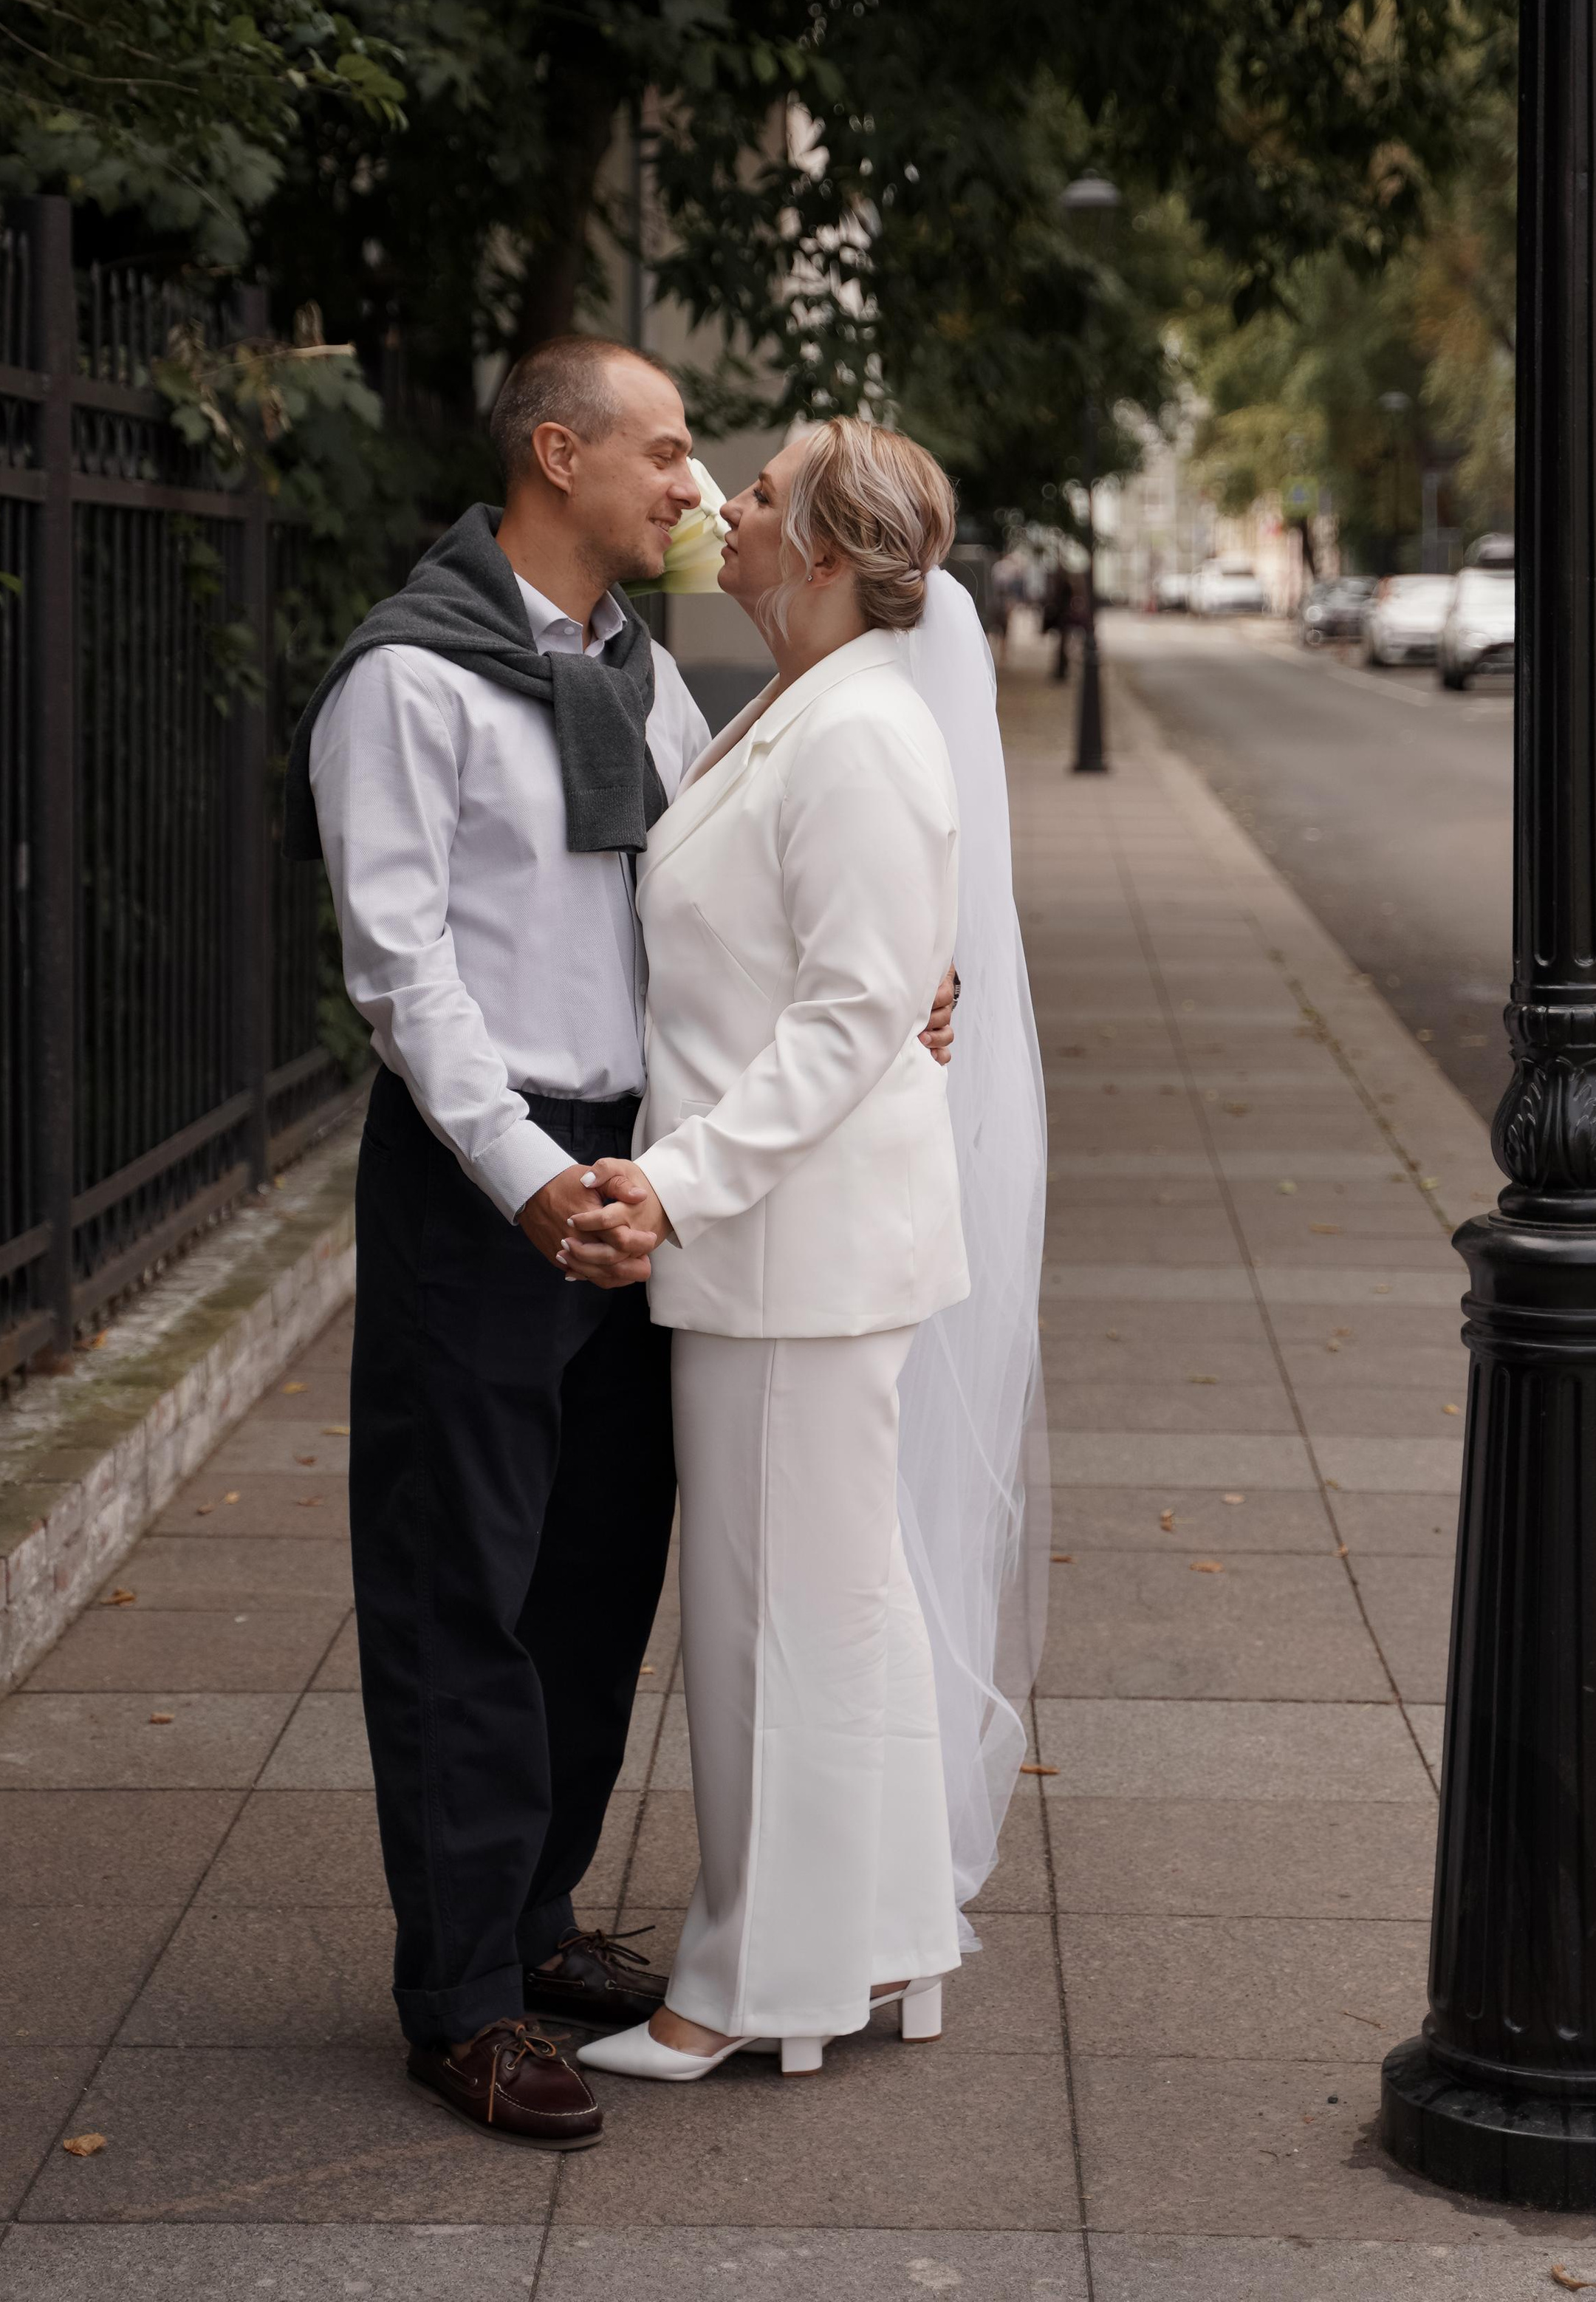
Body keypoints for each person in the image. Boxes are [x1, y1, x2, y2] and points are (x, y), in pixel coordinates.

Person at [286, 341, 954, 2153]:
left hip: (635, 1172)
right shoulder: (407, 684)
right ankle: (464, 2000)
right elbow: (401, 975)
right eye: (664, 453)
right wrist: (526, 1176)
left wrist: (907, 985)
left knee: (591, 1578)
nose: (689, 485)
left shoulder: (637, 678)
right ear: (555, 452)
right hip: (486, 1175)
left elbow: (717, 903)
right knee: (459, 1587)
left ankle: (537, 1915)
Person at [558, 418, 1048, 2083]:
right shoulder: (781, 708)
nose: (722, 505)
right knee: (831, 1613)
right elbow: (821, 977)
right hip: (788, 1248)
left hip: (793, 1251)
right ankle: (883, 1943)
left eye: (759, 495)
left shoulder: (857, 735)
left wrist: (677, 1182)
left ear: (826, 554)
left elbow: (847, 1019)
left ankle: (741, 1989)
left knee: (770, 1627)